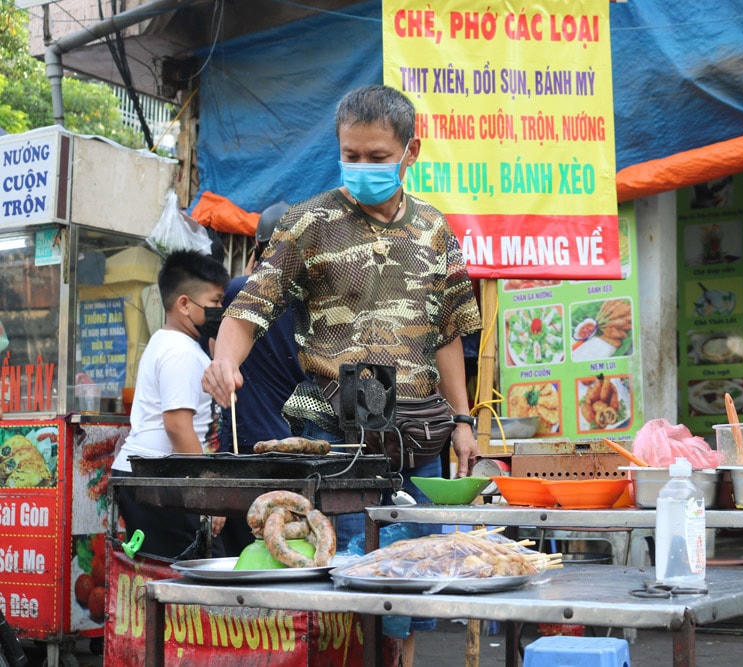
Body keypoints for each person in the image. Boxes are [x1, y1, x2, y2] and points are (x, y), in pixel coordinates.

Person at [203, 84, 481, 661]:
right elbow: (249, 308)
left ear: (411, 153)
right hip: (332, 427)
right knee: (345, 569)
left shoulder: (437, 232)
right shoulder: (309, 225)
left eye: (377, 157)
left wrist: (462, 420)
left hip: (417, 433)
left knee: (415, 570)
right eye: (350, 155)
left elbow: (450, 336)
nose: (362, 168)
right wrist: (224, 361)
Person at [111, 250, 229, 559]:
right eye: (215, 301)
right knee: (193, 573)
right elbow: (177, 426)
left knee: (164, 572)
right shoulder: (180, 352)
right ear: (184, 305)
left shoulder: (167, 341)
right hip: (157, 480)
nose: (219, 309)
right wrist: (208, 499)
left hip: (146, 477)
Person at [213, 201, 306, 557]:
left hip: (247, 455)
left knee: (250, 557)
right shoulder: (316, 302)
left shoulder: (242, 290)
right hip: (300, 453)